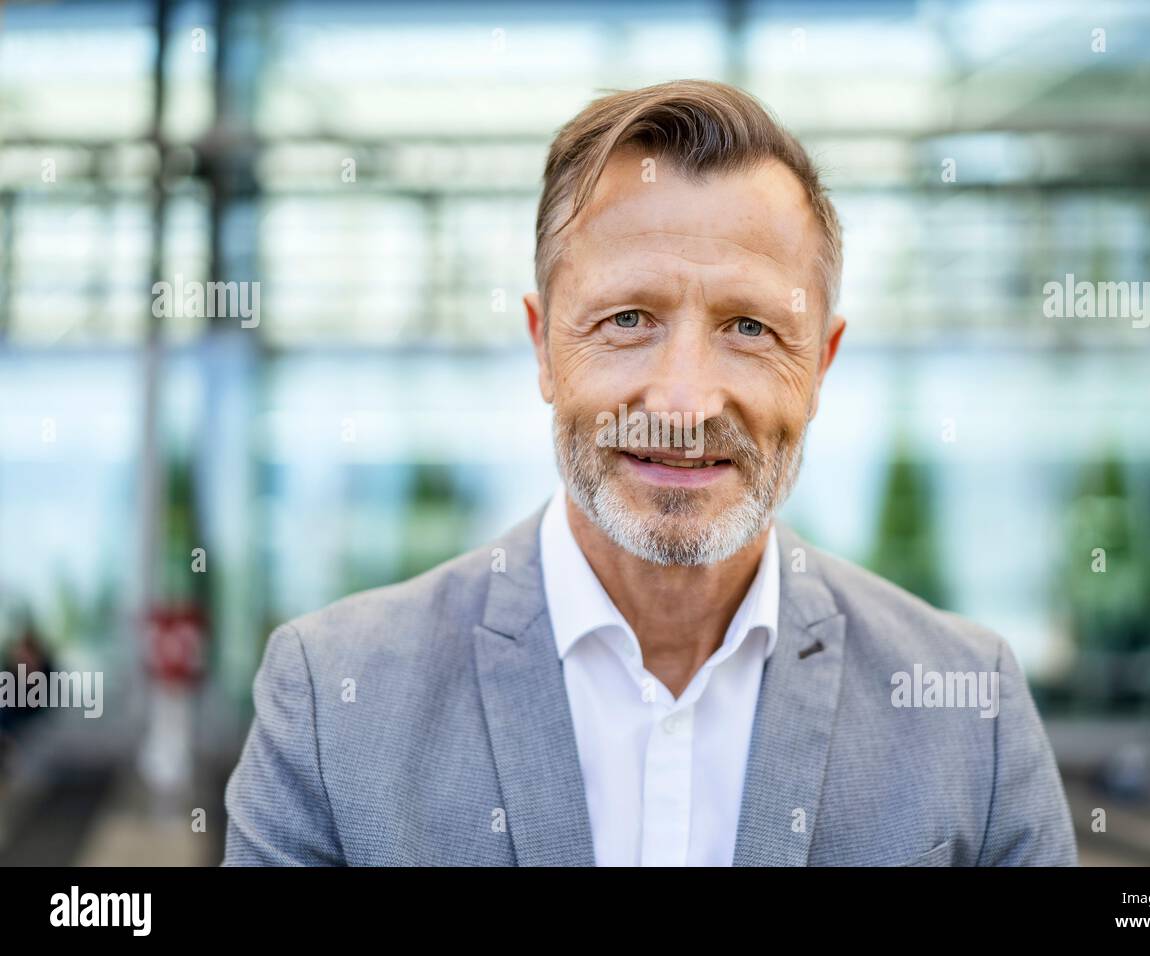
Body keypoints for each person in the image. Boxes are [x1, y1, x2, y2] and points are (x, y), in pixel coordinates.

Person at [224, 79, 1076, 866]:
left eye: (748, 327)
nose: (684, 399)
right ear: (543, 347)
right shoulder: (332, 703)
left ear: (821, 364)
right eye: (628, 318)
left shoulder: (973, 713)